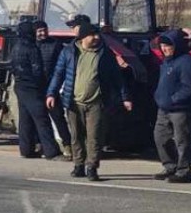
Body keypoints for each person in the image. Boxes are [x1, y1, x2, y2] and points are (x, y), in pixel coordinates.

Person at [47, 22, 131, 181]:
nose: (97, 37)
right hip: (73, 102)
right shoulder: (69, 52)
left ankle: (92, 166)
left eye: (97, 34)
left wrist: (125, 97)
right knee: (76, 136)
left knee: (94, 136)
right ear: (83, 37)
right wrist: (51, 93)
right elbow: (58, 74)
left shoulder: (105, 54)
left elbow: (117, 78)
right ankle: (78, 165)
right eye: (93, 35)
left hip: (97, 102)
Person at [154, 31, 191, 183]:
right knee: (160, 137)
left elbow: (188, 87)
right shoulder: (166, 61)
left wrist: (173, 100)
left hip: (180, 109)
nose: (165, 48)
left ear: (177, 45)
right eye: (162, 45)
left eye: (168, 45)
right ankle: (170, 166)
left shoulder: (186, 61)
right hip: (163, 108)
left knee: (182, 141)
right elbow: (151, 44)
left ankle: (183, 171)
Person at [12, 19, 61, 159]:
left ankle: (26, 150)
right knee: (42, 119)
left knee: (25, 119)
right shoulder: (31, 48)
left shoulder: (16, 47)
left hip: (20, 86)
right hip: (32, 88)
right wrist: (42, 86)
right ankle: (51, 151)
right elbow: (37, 70)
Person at [36, 20, 72, 158]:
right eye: (39, 31)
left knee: (57, 116)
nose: (43, 33)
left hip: (51, 87)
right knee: (39, 118)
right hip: (37, 88)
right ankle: (42, 144)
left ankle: (67, 144)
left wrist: (55, 86)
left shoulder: (55, 45)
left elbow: (60, 67)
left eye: (44, 30)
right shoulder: (32, 45)